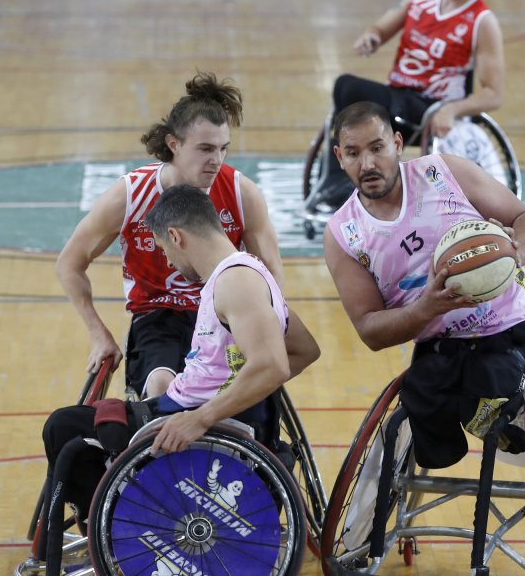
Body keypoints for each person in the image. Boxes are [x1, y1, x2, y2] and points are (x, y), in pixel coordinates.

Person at [39, 185, 320, 560]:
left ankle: (123, 538)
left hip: (195, 422)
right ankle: (122, 528)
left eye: (164, 249)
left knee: (64, 427)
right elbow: (304, 349)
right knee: (87, 419)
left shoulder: (236, 282)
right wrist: (239, 388)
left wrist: (204, 416)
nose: (169, 262)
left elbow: (273, 365)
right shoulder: (248, 274)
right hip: (193, 409)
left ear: (175, 236)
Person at [322, 101, 525, 469]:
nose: (367, 164)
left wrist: (514, 253)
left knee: (485, 390)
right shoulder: (343, 234)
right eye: (353, 153)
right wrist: (426, 308)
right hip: (441, 346)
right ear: (339, 157)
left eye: (377, 148)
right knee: (420, 399)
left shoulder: (444, 172)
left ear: (397, 143)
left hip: (512, 323)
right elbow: (370, 329)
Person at [56, 71, 283, 399]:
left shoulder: (241, 193)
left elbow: (271, 270)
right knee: (161, 388)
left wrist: (268, 330)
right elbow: (69, 264)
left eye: (223, 149)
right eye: (205, 149)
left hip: (225, 311)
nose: (216, 160)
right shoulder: (129, 195)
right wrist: (98, 334)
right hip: (158, 316)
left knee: (247, 391)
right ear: (173, 144)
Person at [312, 0, 505, 202]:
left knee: (348, 87)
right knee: (348, 100)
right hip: (398, 95)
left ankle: (338, 182)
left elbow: (494, 94)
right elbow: (382, 27)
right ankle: (339, 179)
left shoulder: (483, 21)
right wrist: (372, 36)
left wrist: (452, 109)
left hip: (430, 106)